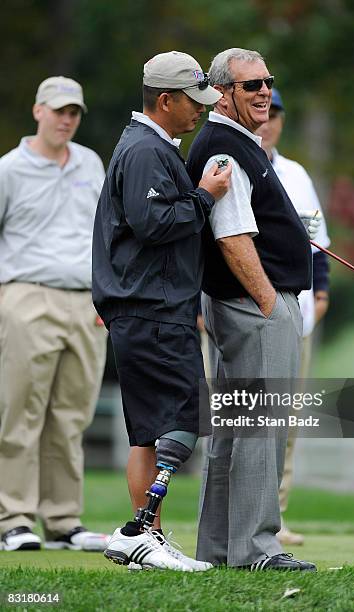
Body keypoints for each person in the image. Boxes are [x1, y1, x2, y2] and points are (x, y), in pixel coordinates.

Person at [92, 51, 231, 572]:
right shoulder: (147, 150)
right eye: (192, 101)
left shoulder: (150, 146)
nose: (200, 111)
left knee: (149, 429)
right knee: (185, 415)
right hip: (151, 309)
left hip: (147, 308)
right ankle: (139, 531)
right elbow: (154, 224)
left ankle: (144, 534)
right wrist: (205, 195)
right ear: (165, 100)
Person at [186, 48, 317, 572]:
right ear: (222, 93)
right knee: (261, 429)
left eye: (268, 82)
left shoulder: (237, 142)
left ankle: (219, 551)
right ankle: (258, 551)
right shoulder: (225, 148)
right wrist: (270, 305)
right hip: (253, 307)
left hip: (241, 308)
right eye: (251, 85)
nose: (264, 91)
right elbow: (233, 237)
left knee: (235, 430)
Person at [0, 77, 109, 552]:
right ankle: (14, 519)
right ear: (38, 110)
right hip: (27, 296)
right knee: (20, 414)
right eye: (59, 110)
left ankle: (63, 521)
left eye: (74, 112)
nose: (67, 120)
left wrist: (107, 297)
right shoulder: (9, 169)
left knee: (71, 417)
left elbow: (107, 234)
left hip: (85, 303)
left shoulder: (89, 162)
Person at [256, 89, 331, 546]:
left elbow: (316, 239)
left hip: (295, 315)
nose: (269, 121)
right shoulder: (227, 162)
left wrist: (320, 294)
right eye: (264, 111)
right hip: (236, 313)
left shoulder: (297, 174)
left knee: (284, 423)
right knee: (237, 418)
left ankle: (274, 518)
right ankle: (231, 513)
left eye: (276, 114)